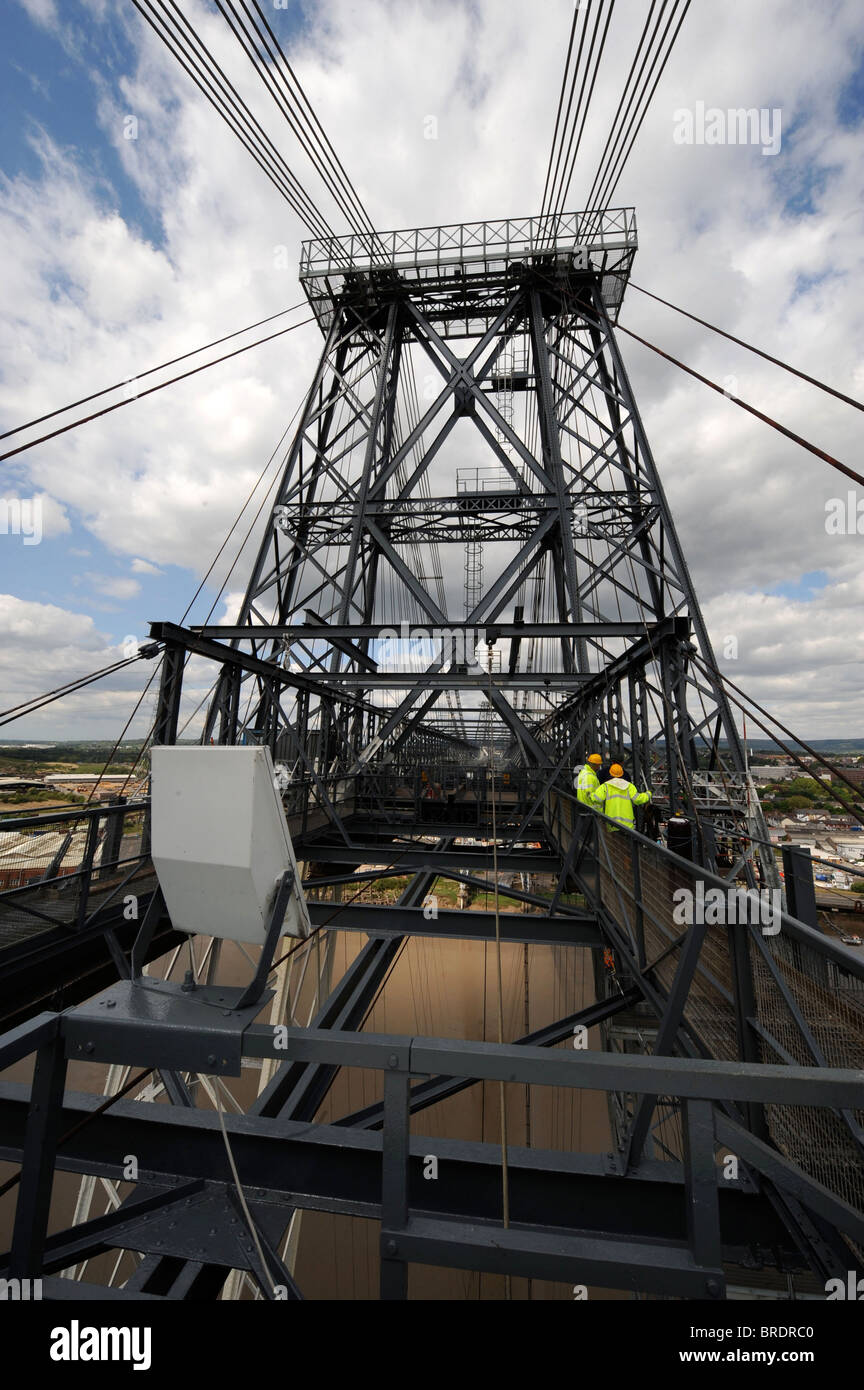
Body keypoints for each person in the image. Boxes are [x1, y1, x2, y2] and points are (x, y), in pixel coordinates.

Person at [592, 763, 652, 829]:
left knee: (613, 839)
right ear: (622, 774)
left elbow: (596, 798)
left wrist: (589, 794)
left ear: (610, 773)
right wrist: (648, 794)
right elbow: (638, 799)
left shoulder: (605, 786)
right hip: (627, 825)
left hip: (612, 823)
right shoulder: (629, 786)